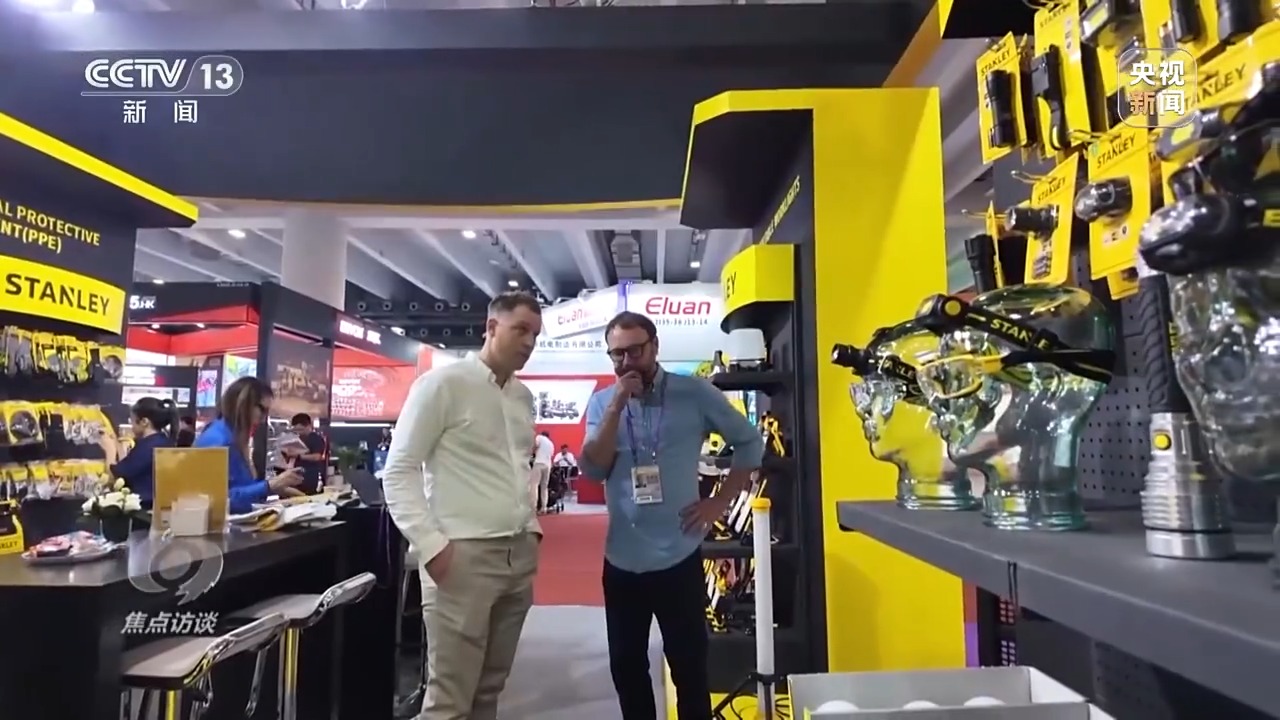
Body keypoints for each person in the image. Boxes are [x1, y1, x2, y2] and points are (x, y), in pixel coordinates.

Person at [581, 311, 763, 720]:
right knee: (626, 668)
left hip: (678, 556)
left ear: (655, 347)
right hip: (622, 560)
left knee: (689, 668)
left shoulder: (694, 394)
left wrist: (720, 502)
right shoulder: (602, 403)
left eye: (635, 351)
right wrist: (615, 407)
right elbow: (592, 469)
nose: (626, 362)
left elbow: (750, 442)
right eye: (617, 354)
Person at [382, 291, 544, 720]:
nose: (529, 342)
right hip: (463, 556)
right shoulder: (442, 385)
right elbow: (398, 471)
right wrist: (430, 545)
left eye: (535, 334)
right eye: (520, 330)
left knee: (489, 691)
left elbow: (515, 469)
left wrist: (531, 532)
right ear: (491, 327)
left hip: (518, 554)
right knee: (450, 700)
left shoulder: (522, 397)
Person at [195, 377, 305, 513]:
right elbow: (219, 499)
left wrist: (274, 488)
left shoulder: (231, 436)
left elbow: (240, 487)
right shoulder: (218, 440)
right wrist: (269, 486)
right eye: (262, 410)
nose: (263, 418)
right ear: (243, 404)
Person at [97, 397, 178, 506]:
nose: (132, 426)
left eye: (132, 421)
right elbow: (131, 470)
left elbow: (115, 477)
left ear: (144, 422)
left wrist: (110, 450)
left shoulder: (148, 446)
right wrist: (118, 447)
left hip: (144, 508)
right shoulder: (162, 441)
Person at [284, 413, 328, 493]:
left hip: (309, 477)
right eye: (296, 430)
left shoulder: (316, 439)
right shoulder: (296, 439)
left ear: (308, 426)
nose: (299, 432)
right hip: (294, 475)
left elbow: (317, 457)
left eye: (301, 430)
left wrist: (299, 456)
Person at [531, 430, 555, 513]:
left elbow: (535, 445)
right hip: (548, 465)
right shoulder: (551, 444)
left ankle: (533, 507)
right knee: (544, 487)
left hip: (539, 463)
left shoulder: (539, 437)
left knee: (534, 485)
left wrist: (532, 452)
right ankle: (544, 507)